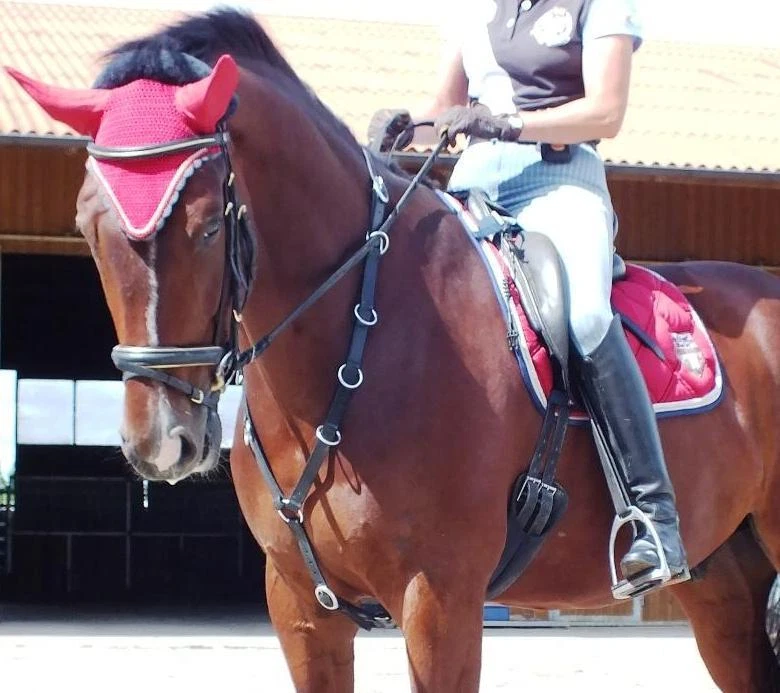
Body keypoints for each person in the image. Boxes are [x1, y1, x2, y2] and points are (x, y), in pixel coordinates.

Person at [368, 0, 688, 593]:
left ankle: (653, 517)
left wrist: (512, 124)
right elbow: (446, 107)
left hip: (558, 182)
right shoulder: (476, 10)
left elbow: (607, 112)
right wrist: (409, 127)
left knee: (587, 315)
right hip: (471, 188)